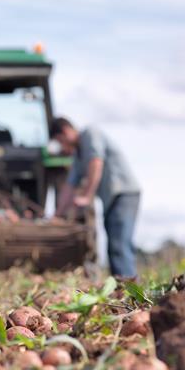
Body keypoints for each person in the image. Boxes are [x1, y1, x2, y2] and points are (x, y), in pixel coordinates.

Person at [50, 117, 141, 277]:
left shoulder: (90, 134)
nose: (62, 147)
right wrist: (57, 214)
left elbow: (96, 162)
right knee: (113, 247)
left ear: (65, 131)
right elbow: (69, 187)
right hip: (111, 200)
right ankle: (121, 289)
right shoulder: (78, 156)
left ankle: (130, 291)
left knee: (120, 245)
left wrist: (87, 195)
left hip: (124, 194)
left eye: (60, 141)